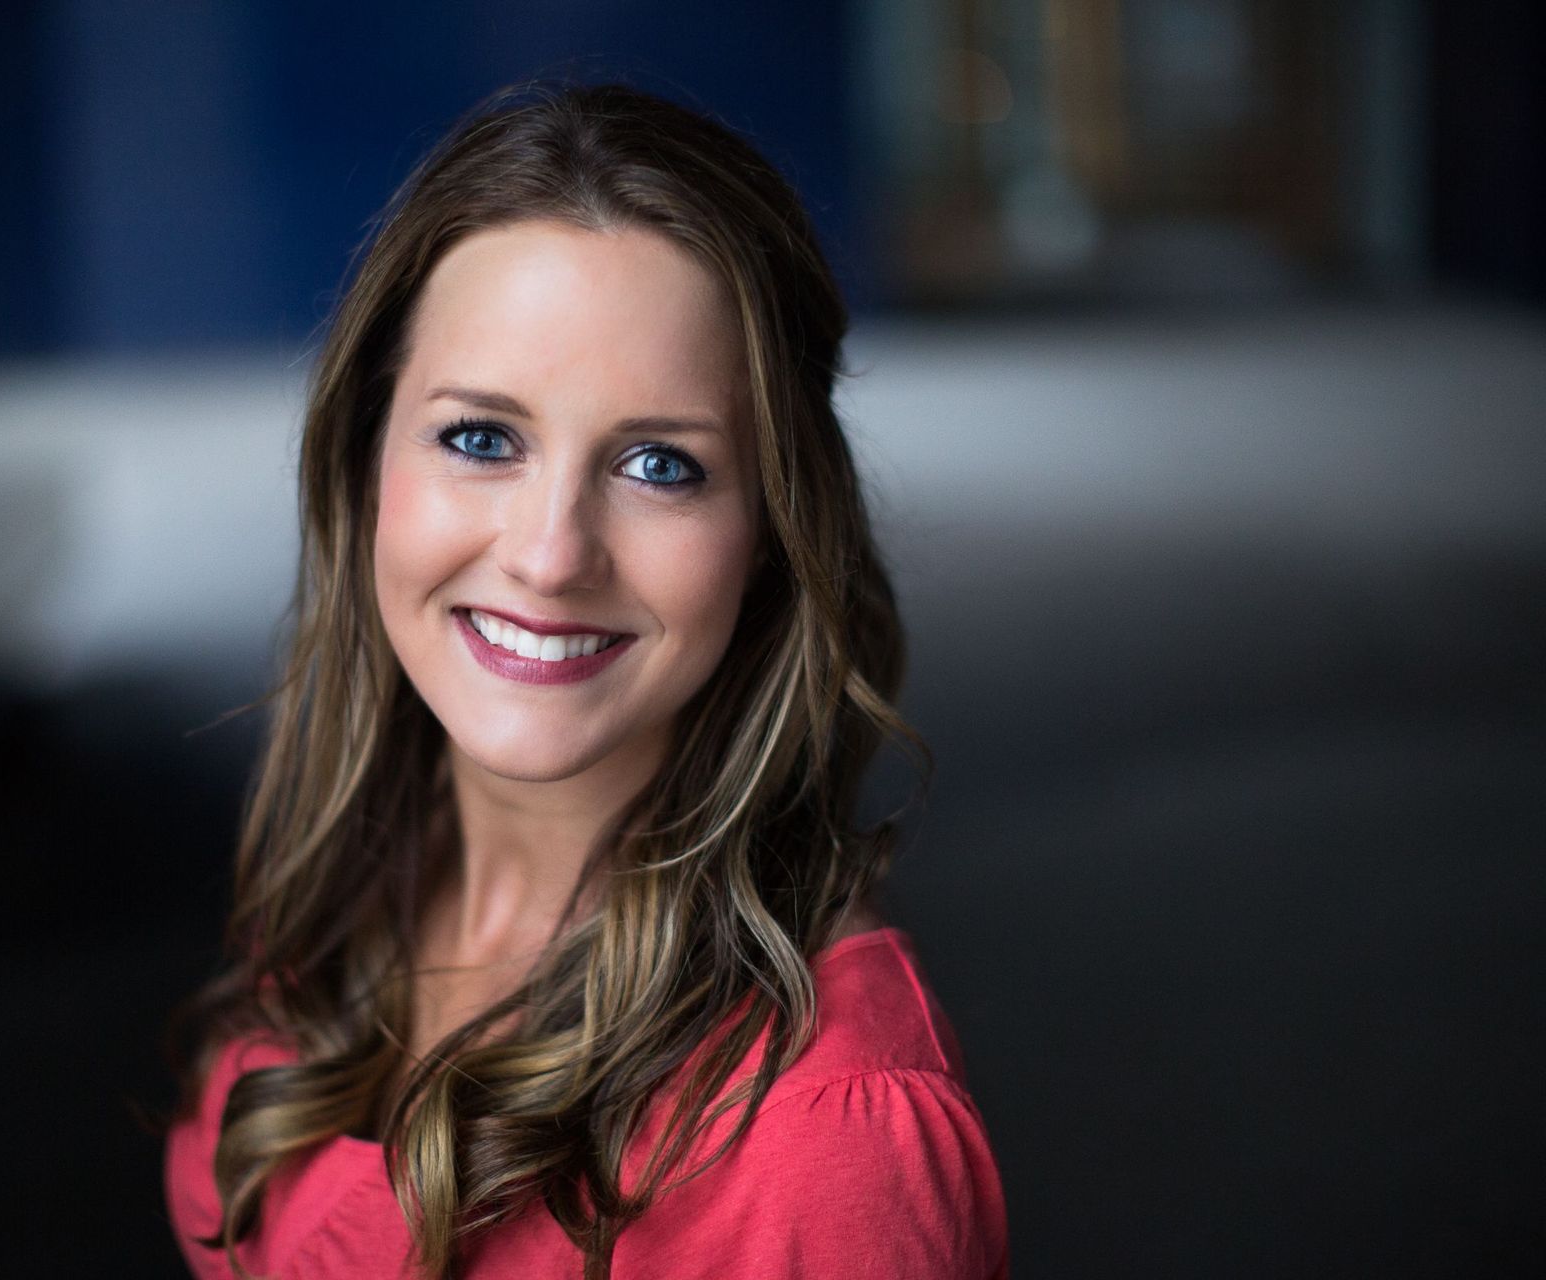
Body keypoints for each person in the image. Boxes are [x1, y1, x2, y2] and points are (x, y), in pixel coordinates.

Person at [164, 81, 1008, 1279]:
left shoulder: (826, 1143)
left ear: (772, 525)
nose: (552, 553)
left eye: (662, 463)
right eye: (480, 438)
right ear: (365, 460)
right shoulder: (345, 892)